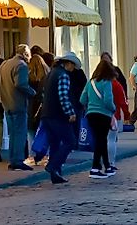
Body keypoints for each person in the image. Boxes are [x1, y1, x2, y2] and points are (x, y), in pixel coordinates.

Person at [0, 44, 36, 170]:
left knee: (13, 134)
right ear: (25, 54)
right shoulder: (21, 65)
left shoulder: (5, 63)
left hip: (6, 103)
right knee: (20, 133)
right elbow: (20, 84)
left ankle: (13, 159)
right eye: (29, 54)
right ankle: (17, 160)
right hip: (18, 103)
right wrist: (33, 92)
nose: (30, 57)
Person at [40, 53, 82, 184]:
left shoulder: (51, 74)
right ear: (68, 63)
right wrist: (70, 112)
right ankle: (53, 165)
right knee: (70, 141)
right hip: (57, 115)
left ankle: (55, 174)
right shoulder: (63, 75)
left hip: (47, 114)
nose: (73, 69)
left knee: (55, 143)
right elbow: (63, 97)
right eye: (73, 66)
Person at [80, 61, 119, 179]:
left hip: (91, 114)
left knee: (100, 140)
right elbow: (108, 100)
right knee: (101, 141)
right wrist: (113, 109)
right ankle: (95, 167)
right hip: (104, 115)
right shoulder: (106, 83)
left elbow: (82, 99)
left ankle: (107, 166)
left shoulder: (90, 83)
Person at [101, 52, 132, 171]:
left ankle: (100, 164)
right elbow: (121, 100)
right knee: (111, 139)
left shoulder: (94, 82)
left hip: (97, 114)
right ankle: (110, 163)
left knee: (102, 139)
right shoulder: (115, 84)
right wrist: (127, 114)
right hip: (112, 114)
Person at [25, 48, 50, 165]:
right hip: (44, 108)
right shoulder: (47, 77)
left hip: (31, 107)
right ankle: (44, 155)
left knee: (31, 132)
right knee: (44, 132)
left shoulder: (29, 78)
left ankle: (32, 156)